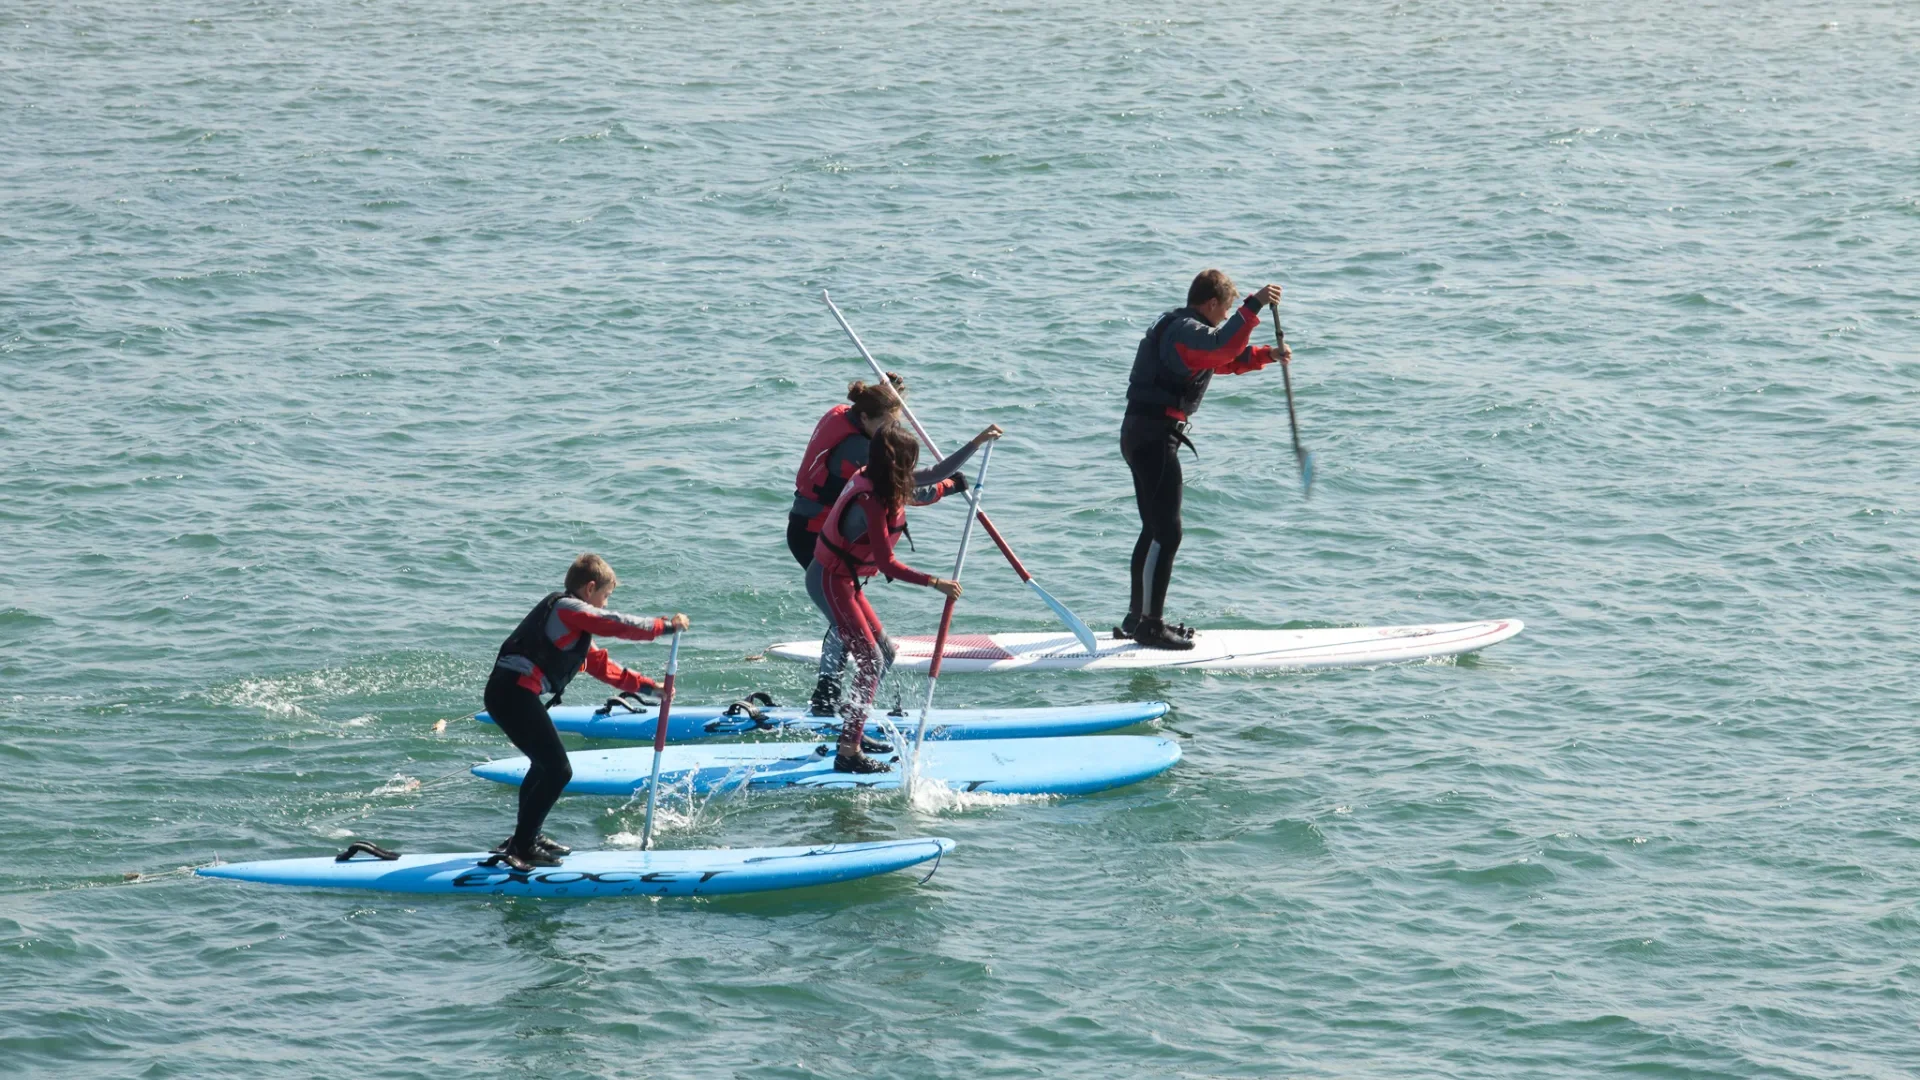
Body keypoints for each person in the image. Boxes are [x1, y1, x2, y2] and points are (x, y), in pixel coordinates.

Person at [788, 375, 999, 713]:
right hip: (814, 536)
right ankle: (826, 698)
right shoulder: (862, 461)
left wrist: (892, 394)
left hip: (830, 541)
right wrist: (948, 487)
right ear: (870, 420)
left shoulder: (857, 421)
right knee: (847, 625)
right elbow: (913, 492)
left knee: (868, 640)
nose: (893, 429)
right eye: (889, 423)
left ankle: (848, 709)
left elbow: (916, 476)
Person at [484, 553, 690, 870]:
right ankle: (522, 847)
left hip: (512, 695)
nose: (604, 604)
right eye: (605, 596)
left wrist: (651, 688)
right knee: (558, 770)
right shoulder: (568, 609)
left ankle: (525, 838)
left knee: (544, 766)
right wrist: (664, 627)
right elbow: (613, 624)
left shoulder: (570, 627)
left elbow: (600, 666)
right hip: (510, 694)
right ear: (590, 588)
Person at [1119, 270, 1289, 650]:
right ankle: (1150, 625)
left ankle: (1137, 618)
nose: (1229, 318)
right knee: (1168, 532)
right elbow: (1222, 347)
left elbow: (1220, 359)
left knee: (1154, 528)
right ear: (1211, 304)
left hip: (1140, 433)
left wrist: (1266, 355)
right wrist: (1255, 304)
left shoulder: (1183, 331)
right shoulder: (1187, 329)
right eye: (1227, 311)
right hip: (1153, 437)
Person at [812, 424, 963, 772]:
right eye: (910, 462)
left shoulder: (882, 480)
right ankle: (847, 754)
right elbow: (886, 563)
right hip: (835, 581)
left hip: (849, 583)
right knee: (872, 662)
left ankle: (853, 728)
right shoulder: (871, 498)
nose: (914, 470)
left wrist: (980, 441)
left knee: (886, 653)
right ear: (897, 463)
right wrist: (936, 582)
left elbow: (937, 474)